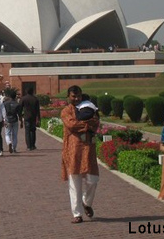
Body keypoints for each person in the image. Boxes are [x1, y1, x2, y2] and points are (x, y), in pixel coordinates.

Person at [61, 85, 100, 224]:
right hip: (73, 151)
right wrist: (87, 125)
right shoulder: (66, 111)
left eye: (78, 96)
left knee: (93, 179)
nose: (76, 99)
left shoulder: (88, 107)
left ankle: (86, 202)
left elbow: (96, 122)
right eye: (73, 96)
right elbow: (72, 125)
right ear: (68, 97)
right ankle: (77, 214)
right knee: (75, 183)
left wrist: (85, 124)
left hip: (88, 149)